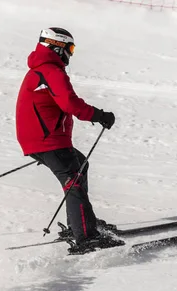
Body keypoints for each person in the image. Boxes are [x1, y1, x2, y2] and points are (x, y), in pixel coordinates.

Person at [15, 27, 125, 254]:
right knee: (73, 181)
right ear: (57, 47)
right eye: (70, 49)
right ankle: (86, 237)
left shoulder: (42, 70)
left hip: (44, 139)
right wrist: (99, 115)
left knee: (80, 166)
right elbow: (69, 103)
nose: (70, 55)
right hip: (48, 141)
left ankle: (79, 225)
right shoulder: (50, 71)